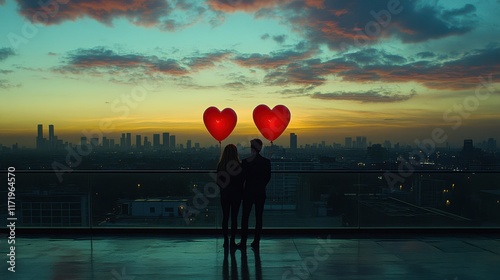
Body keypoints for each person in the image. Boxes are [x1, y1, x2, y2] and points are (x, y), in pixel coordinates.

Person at [239, 138, 271, 250]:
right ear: (260, 148)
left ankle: (243, 242)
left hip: (248, 192)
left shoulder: (245, 162)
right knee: (259, 217)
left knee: (245, 218)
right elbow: (268, 178)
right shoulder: (266, 162)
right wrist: (261, 186)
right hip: (260, 192)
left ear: (251, 148)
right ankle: (256, 241)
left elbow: (242, 179)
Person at [217, 144, 244, 249]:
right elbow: (241, 181)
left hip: (225, 194)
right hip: (236, 194)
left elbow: (218, 181)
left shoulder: (221, 165)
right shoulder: (239, 165)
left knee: (225, 217)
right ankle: (232, 241)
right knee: (234, 218)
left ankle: (225, 241)